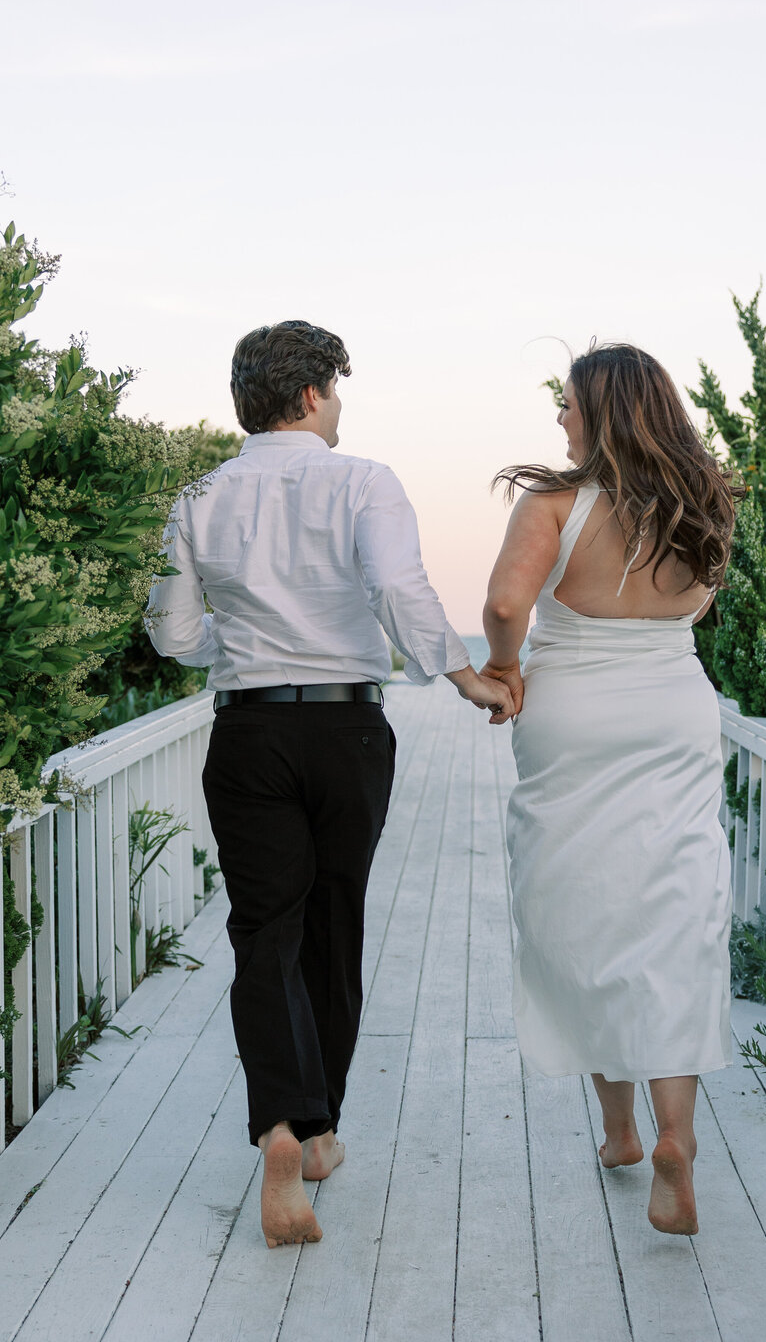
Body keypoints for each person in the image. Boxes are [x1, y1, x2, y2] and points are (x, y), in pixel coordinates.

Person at [144, 319, 513, 1249]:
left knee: (264, 927)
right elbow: (397, 586)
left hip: (249, 728)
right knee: (334, 920)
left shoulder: (197, 496)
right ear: (310, 395)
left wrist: (250, 645)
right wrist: (463, 673)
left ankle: (277, 1125)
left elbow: (176, 634)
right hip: (346, 725)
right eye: (336, 391)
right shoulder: (364, 482)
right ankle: (317, 1136)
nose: (341, 407)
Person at [480, 343, 740, 1236]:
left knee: (583, 912)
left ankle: (620, 1133)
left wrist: (503, 670)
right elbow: (695, 610)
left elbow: (509, 605)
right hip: (674, 710)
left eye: (566, 404)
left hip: (574, 714)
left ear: (601, 409)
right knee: (674, 918)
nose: (557, 418)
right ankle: (676, 1139)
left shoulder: (553, 503)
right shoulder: (704, 503)